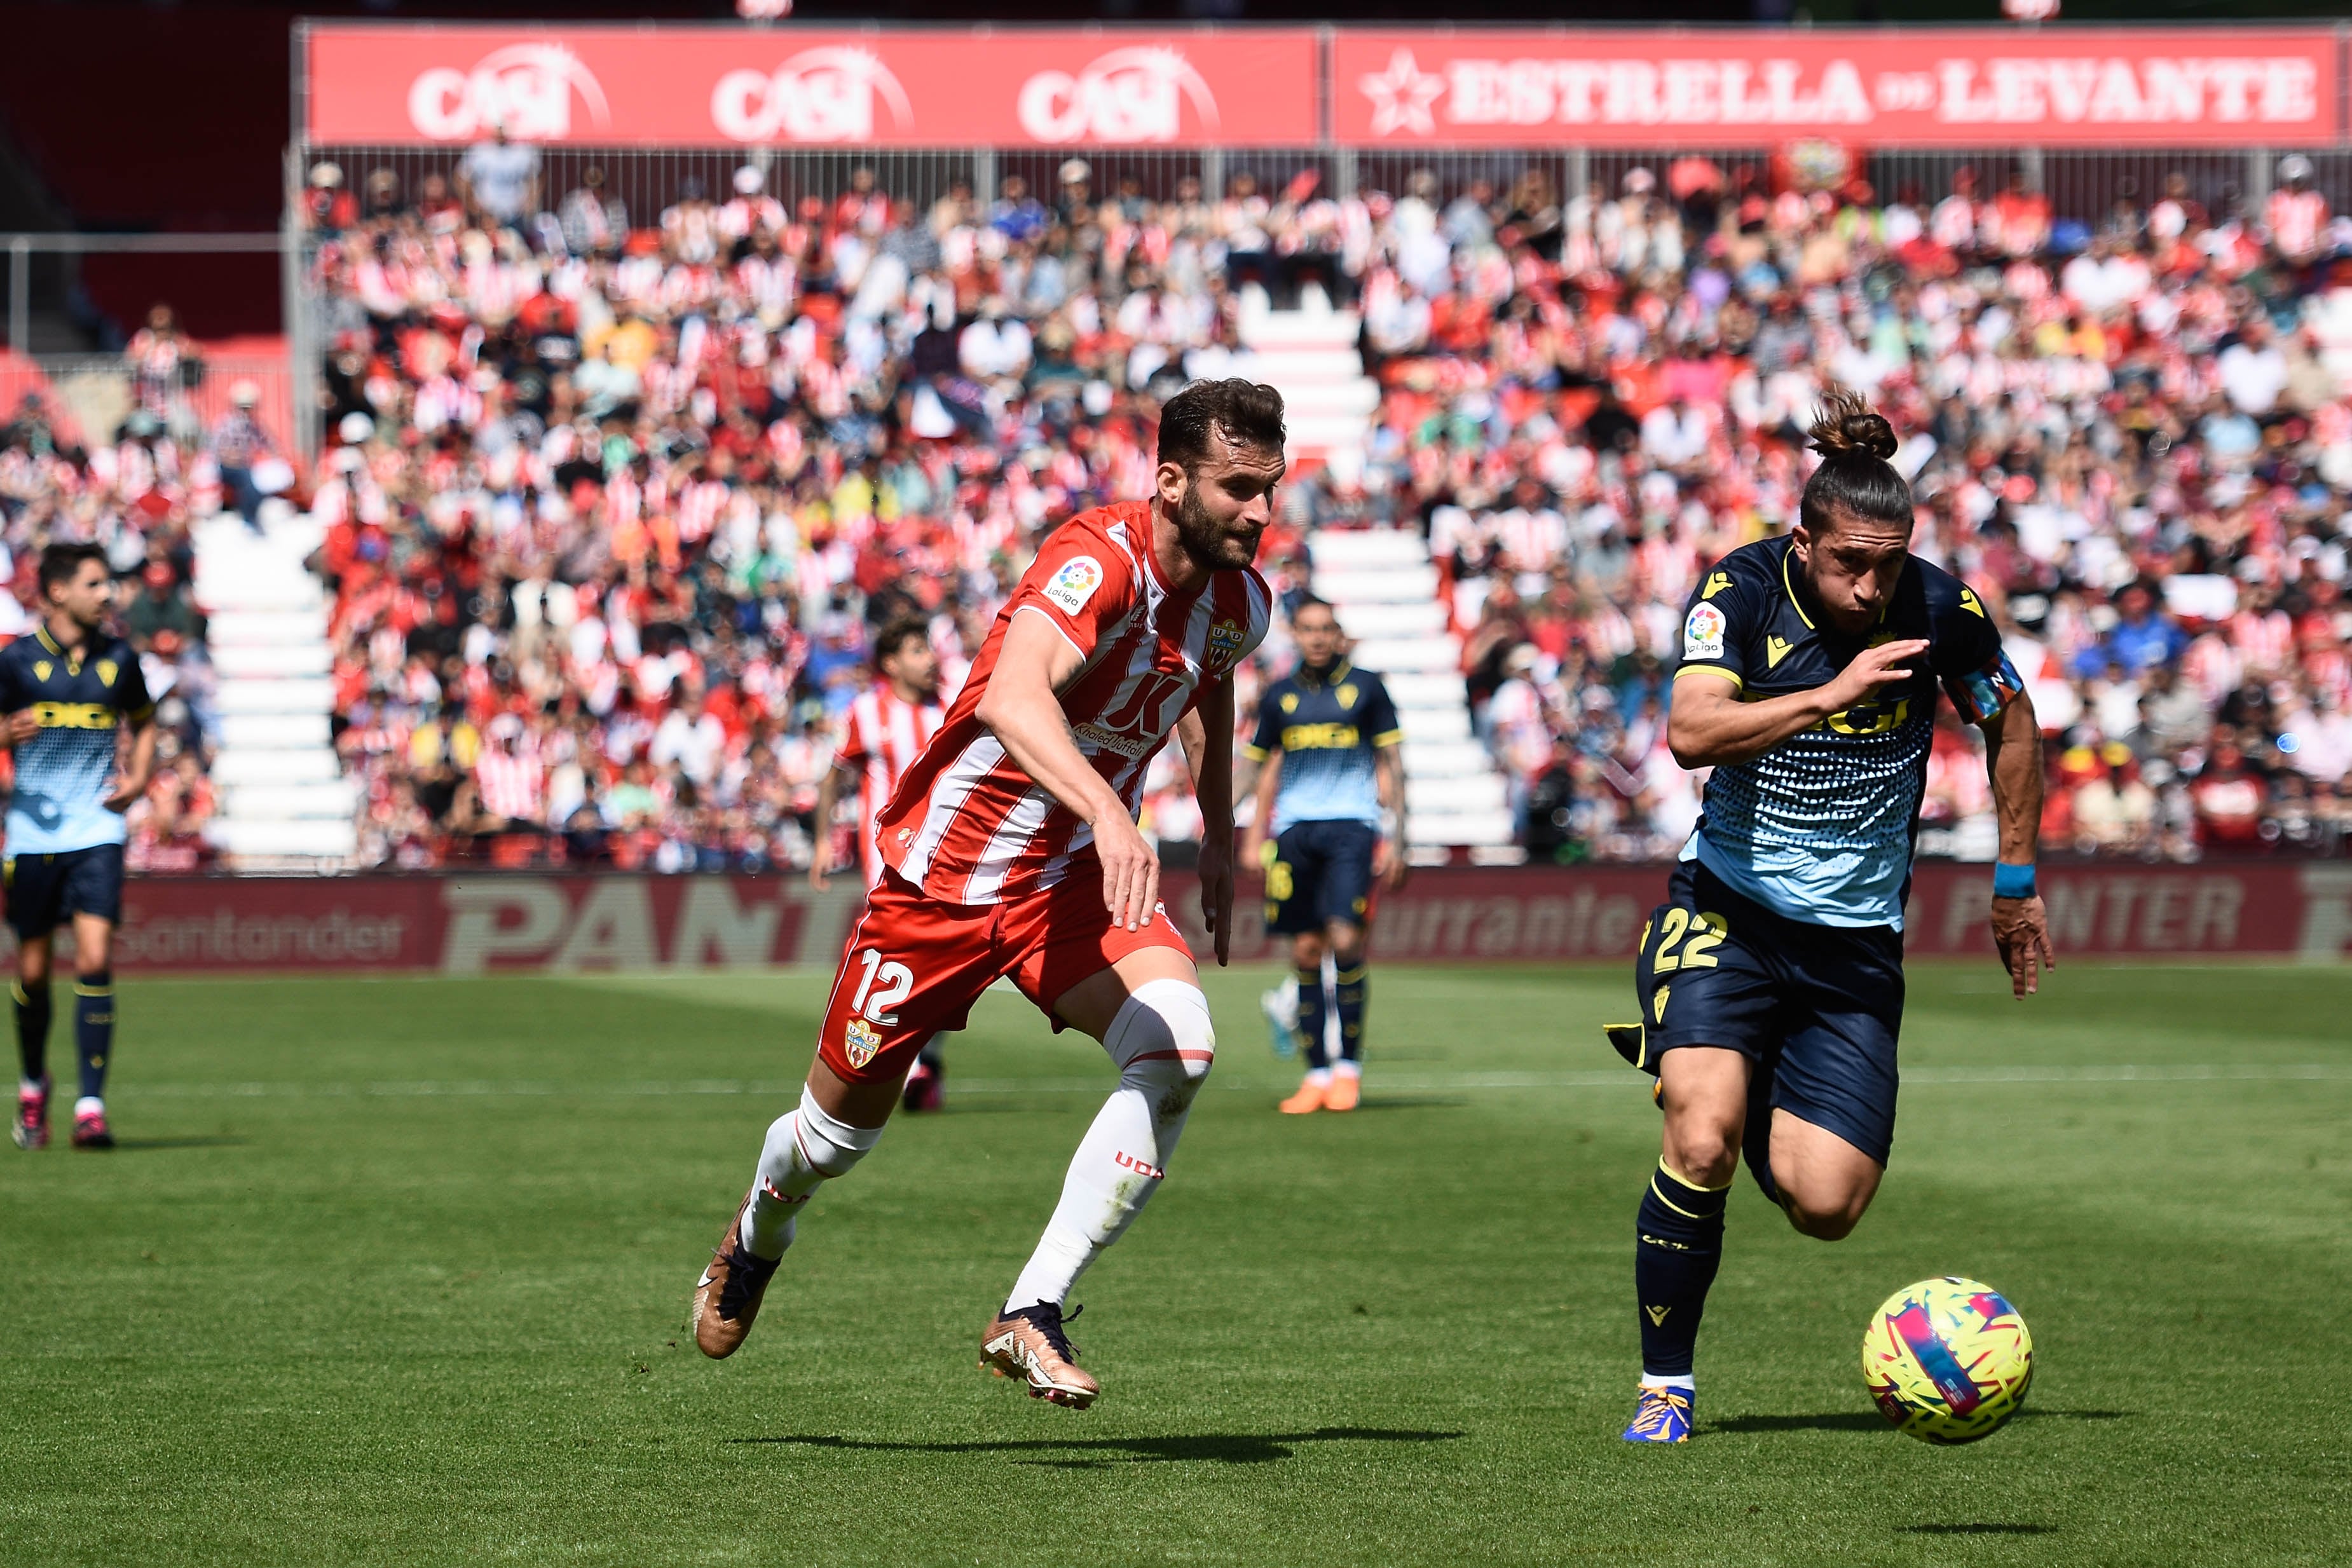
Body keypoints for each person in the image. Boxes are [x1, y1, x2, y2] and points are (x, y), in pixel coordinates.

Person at [688, 379, 1282, 1410]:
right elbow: (1013, 696)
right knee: (829, 1143)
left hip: (1070, 888)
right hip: (944, 883)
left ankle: (1031, 1309)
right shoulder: (1097, 558)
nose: (1261, 513)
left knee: (1180, 1046)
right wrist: (1108, 806)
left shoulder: (1242, 600)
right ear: (1172, 480)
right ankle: (755, 1233)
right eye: (1239, 489)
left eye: (1271, 489)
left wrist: (1220, 834)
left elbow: (1206, 684)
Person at [1610, 390, 2053, 1443]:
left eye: (1888, 564)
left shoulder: (1941, 609)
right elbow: (1691, 728)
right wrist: (1832, 687)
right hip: (1729, 911)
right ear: (1804, 540)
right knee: (1702, 1134)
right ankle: (1665, 1385)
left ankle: (1726, 1068)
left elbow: (2014, 717)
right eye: (1851, 561)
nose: (1871, 585)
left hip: (1855, 945)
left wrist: (2014, 880)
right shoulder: (1742, 591)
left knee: (1828, 1205)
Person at [4, 543, 158, 1151]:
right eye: (96, 584)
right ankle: (33, 1083)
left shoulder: (120, 658)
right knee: (35, 973)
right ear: (58, 592)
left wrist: (141, 779)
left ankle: (91, 1106)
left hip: (97, 828)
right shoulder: (15, 661)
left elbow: (144, 721)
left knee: (94, 959)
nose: (108, 595)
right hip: (32, 835)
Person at [1240, 596, 1407, 1114]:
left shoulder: (1368, 689)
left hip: (1352, 829)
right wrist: (1227, 824)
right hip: (1293, 834)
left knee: (1346, 938)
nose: (1316, 638)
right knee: (1306, 952)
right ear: (1296, 635)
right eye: (1308, 629)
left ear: (1339, 636)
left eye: (1325, 629)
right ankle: (1315, 1073)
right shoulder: (1280, 696)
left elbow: (1394, 764)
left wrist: (1399, 836)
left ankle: (1348, 1069)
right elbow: (1256, 764)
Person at [809, 615, 949, 1110]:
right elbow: (833, 776)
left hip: (951, 857)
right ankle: (899, 1063)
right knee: (888, 960)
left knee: (947, 963)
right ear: (890, 663)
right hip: (886, 863)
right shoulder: (865, 711)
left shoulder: (952, 706)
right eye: (916, 650)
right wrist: (824, 841)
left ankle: (922, 1059)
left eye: (928, 647)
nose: (929, 657)